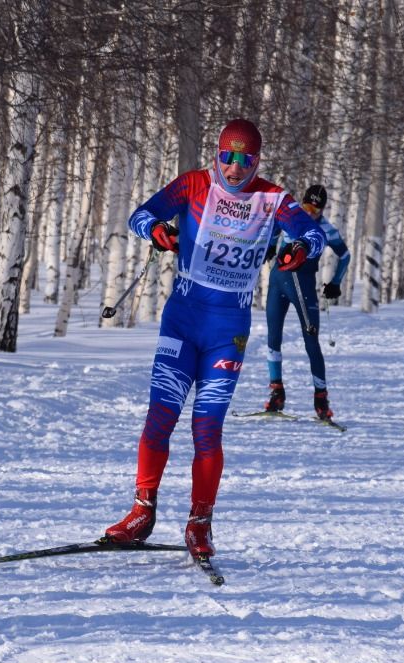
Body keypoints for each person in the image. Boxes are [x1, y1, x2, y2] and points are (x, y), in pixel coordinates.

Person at [104, 118, 327, 560]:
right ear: (216, 155)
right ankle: (141, 512)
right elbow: (139, 215)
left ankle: (199, 523)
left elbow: (315, 233)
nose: (236, 167)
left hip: (228, 332)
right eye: (228, 156)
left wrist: (301, 249)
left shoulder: (272, 198)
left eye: (246, 159)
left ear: (258, 160)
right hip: (183, 321)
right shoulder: (192, 185)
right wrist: (156, 231)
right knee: (160, 416)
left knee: (206, 427)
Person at [261, 183, 350, 420]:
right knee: (273, 338)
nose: (309, 213)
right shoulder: (290, 217)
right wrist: (269, 248)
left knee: (311, 341)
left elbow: (345, 255)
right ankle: (276, 392)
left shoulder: (325, 230)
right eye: (307, 206)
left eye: (315, 210)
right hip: (278, 282)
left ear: (322, 210)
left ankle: (321, 398)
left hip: (305, 287)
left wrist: (335, 283)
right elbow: (275, 230)